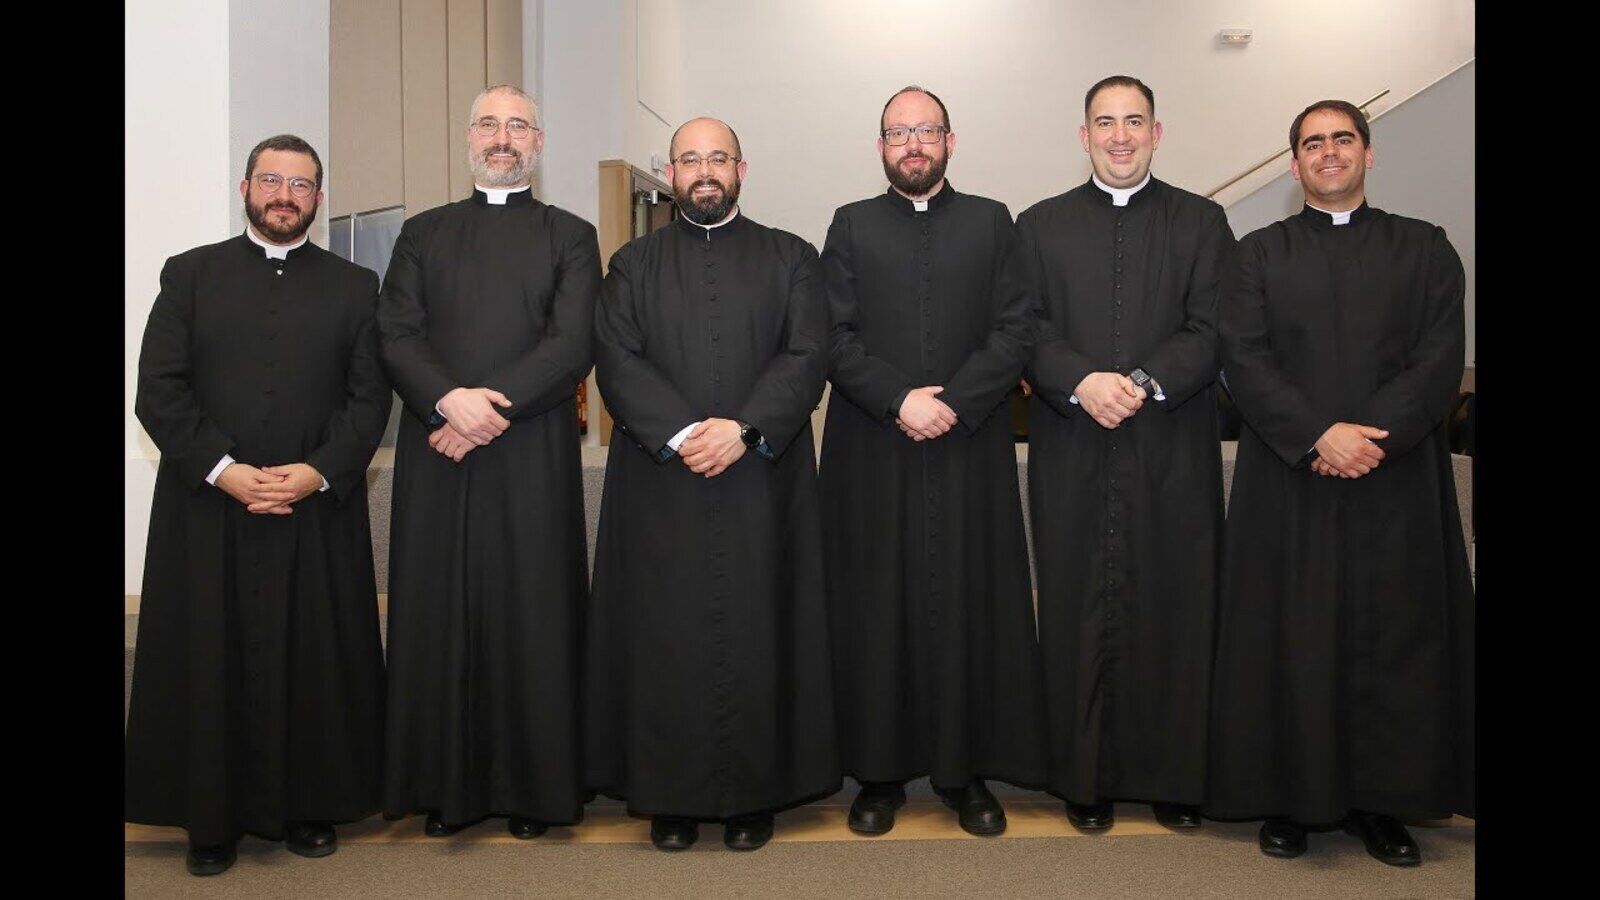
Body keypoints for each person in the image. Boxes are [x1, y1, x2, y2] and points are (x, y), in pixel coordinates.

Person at [1209, 99, 1475, 865]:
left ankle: (1381, 805)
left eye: (1343, 140)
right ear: (1294, 165)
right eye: (1313, 143)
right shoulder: (1256, 254)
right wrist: (1317, 435)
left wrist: (1366, 440)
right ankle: (1290, 801)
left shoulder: (1426, 249)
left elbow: (1438, 358)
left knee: (1389, 641)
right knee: (1289, 638)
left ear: (1367, 153)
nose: (1329, 153)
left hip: (1393, 482)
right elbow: (1244, 356)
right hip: (1289, 477)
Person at [126, 134, 391, 876]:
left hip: (314, 507)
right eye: (271, 180)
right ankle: (209, 822)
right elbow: (159, 390)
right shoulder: (190, 276)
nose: (285, 194)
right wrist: (222, 469)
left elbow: (369, 400)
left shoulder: (354, 285)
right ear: (245, 188)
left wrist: (318, 470)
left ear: (318, 197)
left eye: (301, 184)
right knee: (209, 656)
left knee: (315, 658)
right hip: (209, 508)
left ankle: (311, 808)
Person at [586, 116, 840, 853]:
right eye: (689, 159)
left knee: (762, 627)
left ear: (742, 167)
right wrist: (682, 434)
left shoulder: (790, 256)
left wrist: (744, 429)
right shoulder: (632, 263)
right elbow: (617, 358)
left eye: (717, 159)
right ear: (670, 172)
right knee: (665, 637)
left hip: (761, 474)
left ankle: (753, 797)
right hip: (664, 480)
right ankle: (671, 796)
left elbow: (808, 352)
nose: (704, 171)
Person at [819, 86, 1044, 838]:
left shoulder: (991, 221)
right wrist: (898, 400)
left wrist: (953, 401)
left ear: (951, 140)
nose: (913, 145)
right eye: (898, 133)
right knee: (875, 609)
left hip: (966, 444)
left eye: (926, 132)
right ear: (880, 147)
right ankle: (879, 776)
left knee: (967, 608)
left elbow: (1017, 328)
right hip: (873, 449)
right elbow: (832, 335)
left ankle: (963, 773)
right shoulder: (849, 227)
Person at [378, 84, 600, 839]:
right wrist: (448, 401)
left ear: (538, 142)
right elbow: (397, 336)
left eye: (517, 125)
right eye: (488, 124)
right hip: (438, 452)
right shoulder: (421, 234)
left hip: (528, 450)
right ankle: (443, 787)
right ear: (467, 137)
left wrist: (483, 410)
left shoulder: (571, 234)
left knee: (530, 613)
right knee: (438, 613)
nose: (502, 137)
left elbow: (572, 344)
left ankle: (534, 791)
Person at [1015, 76, 1234, 832]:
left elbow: (1213, 327)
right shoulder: (1038, 226)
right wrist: (1081, 380)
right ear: (1083, 136)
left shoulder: (1204, 223)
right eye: (1104, 122)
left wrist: (1138, 382)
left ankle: (1174, 778)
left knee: (1176, 605)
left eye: (1133, 121)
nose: (1119, 135)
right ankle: (1085, 780)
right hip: (1073, 441)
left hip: (1168, 444)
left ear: (1157, 131)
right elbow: (1024, 327)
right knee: (1077, 607)